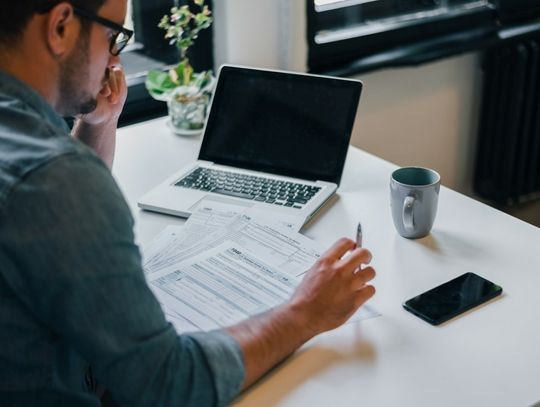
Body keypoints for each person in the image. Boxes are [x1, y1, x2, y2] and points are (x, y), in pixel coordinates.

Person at [0, 1, 376, 406]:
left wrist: (100, 121)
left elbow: (47, 223)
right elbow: (169, 383)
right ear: (60, 27)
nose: (113, 59)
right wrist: (306, 311)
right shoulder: (58, 179)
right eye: (112, 37)